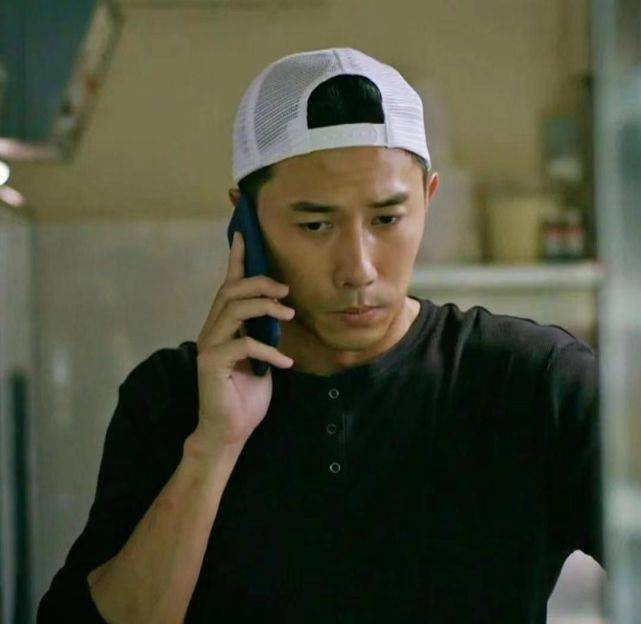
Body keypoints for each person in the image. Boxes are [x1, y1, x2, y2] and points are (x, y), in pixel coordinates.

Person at [37, 47, 604, 623]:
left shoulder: (533, 380)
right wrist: (213, 448)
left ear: (427, 200)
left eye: (387, 219)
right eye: (315, 224)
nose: (358, 268)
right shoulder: (171, 398)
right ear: (246, 219)